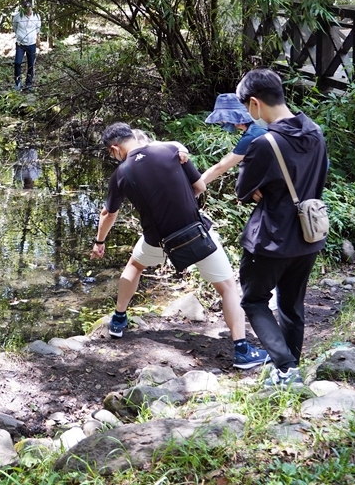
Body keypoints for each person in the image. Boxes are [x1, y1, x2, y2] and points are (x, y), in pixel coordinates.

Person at [91, 122, 269, 370]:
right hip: (195, 235)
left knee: (135, 264)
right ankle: (241, 351)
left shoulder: (121, 174)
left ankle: (119, 319)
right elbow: (199, 187)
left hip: (159, 241)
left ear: (114, 149)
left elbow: (108, 213)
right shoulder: (171, 151)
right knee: (228, 287)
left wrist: (100, 242)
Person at [234, 69, 329, 386]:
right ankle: (290, 369)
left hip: (271, 240)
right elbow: (318, 180)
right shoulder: (315, 133)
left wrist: (261, 189)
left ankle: (286, 368)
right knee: (291, 304)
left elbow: (242, 189)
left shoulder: (265, 143)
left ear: (255, 104)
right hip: (308, 236)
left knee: (254, 300)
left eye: (247, 107)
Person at [196, 93, 268, 189]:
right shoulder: (264, 123)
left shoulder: (252, 135)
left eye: (222, 119)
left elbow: (220, 168)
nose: (221, 123)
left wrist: (194, 188)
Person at [12, 0, 42, 91]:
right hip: (20, 43)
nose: (27, 9)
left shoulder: (36, 16)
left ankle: (28, 83)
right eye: (25, 7)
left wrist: (37, 40)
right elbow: (14, 27)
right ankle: (17, 83)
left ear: (31, 7)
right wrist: (20, 36)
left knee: (31, 64)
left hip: (31, 43)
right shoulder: (17, 17)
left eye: (29, 7)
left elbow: (38, 29)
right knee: (17, 63)